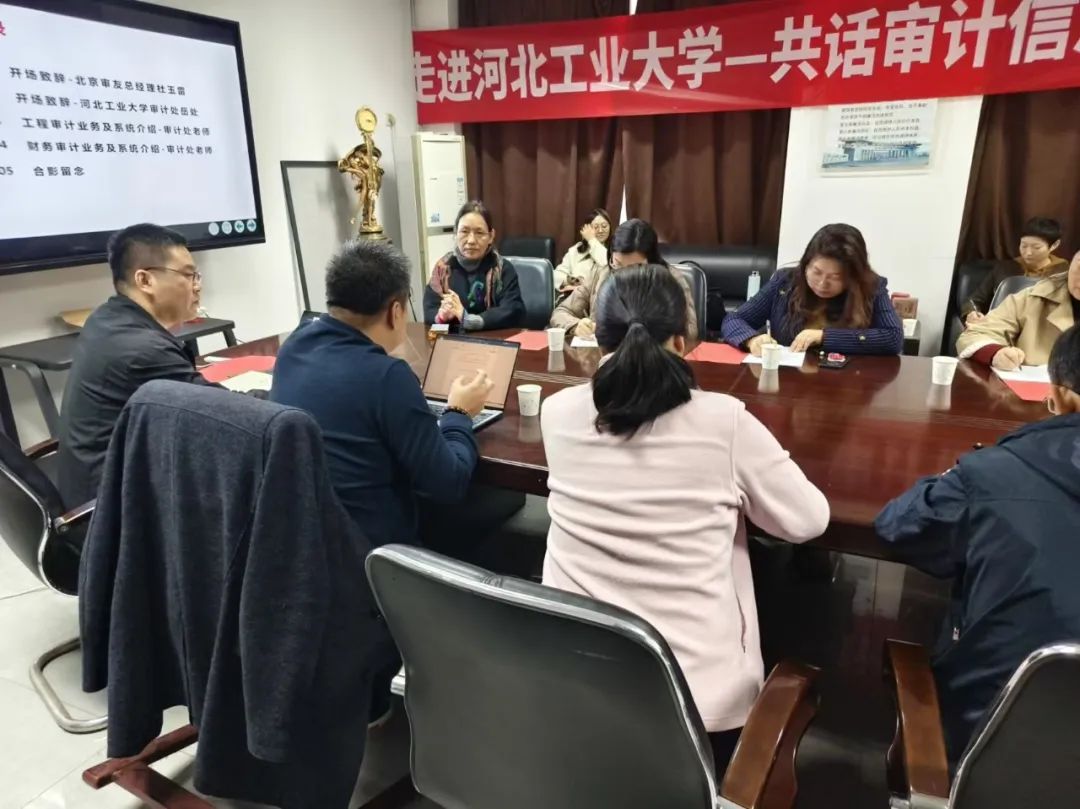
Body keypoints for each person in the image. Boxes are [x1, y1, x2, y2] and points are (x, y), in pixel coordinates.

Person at [541, 264, 829, 773]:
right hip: (698, 707)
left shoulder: (557, 411)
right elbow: (808, 521)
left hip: (574, 682)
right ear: (681, 340)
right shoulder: (722, 420)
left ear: (598, 337)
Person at [875, 323, 1080, 763]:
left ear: (1061, 398)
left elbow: (900, 525)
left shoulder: (995, 473)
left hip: (990, 747)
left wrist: (967, 474)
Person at [271, 239, 493, 547]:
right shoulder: (388, 376)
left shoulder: (292, 348)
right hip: (374, 553)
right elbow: (449, 484)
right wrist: (459, 412)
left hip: (306, 541)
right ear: (396, 311)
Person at [58, 223, 220, 508]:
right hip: (114, 510)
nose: (197, 285)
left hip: (99, 482)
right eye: (188, 275)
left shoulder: (108, 317)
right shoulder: (142, 350)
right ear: (145, 280)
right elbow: (225, 415)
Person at [721, 223, 903, 356]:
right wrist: (751, 339)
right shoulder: (785, 282)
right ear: (806, 264)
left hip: (849, 384)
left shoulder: (871, 287)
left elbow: (893, 338)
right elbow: (734, 319)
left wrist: (824, 336)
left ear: (853, 276)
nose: (822, 283)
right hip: (790, 381)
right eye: (816, 272)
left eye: (835, 277)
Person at [549, 218, 698, 340]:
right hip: (603, 359)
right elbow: (561, 312)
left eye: (634, 268)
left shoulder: (670, 279)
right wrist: (576, 326)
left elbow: (690, 330)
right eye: (618, 264)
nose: (624, 275)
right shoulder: (600, 274)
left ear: (651, 261)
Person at [956, 249, 1080, 369]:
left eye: (1036, 247)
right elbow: (975, 334)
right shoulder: (1032, 298)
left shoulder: (1057, 266)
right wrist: (996, 353)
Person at [423, 200, 525, 330]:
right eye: (464, 232)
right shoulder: (443, 268)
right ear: (455, 234)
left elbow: (513, 310)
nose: (471, 240)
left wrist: (472, 320)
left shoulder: (502, 269)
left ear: (491, 236)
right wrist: (442, 316)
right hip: (453, 339)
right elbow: (429, 310)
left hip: (493, 339)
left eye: (479, 233)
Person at [961, 217, 1067, 326]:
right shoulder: (1005, 268)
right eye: (1024, 245)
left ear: (1054, 245)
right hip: (1001, 325)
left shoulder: (1063, 271)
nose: (1028, 252)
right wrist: (972, 313)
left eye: (1036, 247)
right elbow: (974, 299)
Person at [553, 208, 612, 300]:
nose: (600, 230)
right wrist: (569, 280)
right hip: (571, 297)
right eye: (596, 227)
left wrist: (592, 240)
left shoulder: (614, 248)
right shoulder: (576, 250)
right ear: (586, 229)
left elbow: (606, 264)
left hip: (599, 299)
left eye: (604, 226)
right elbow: (556, 274)